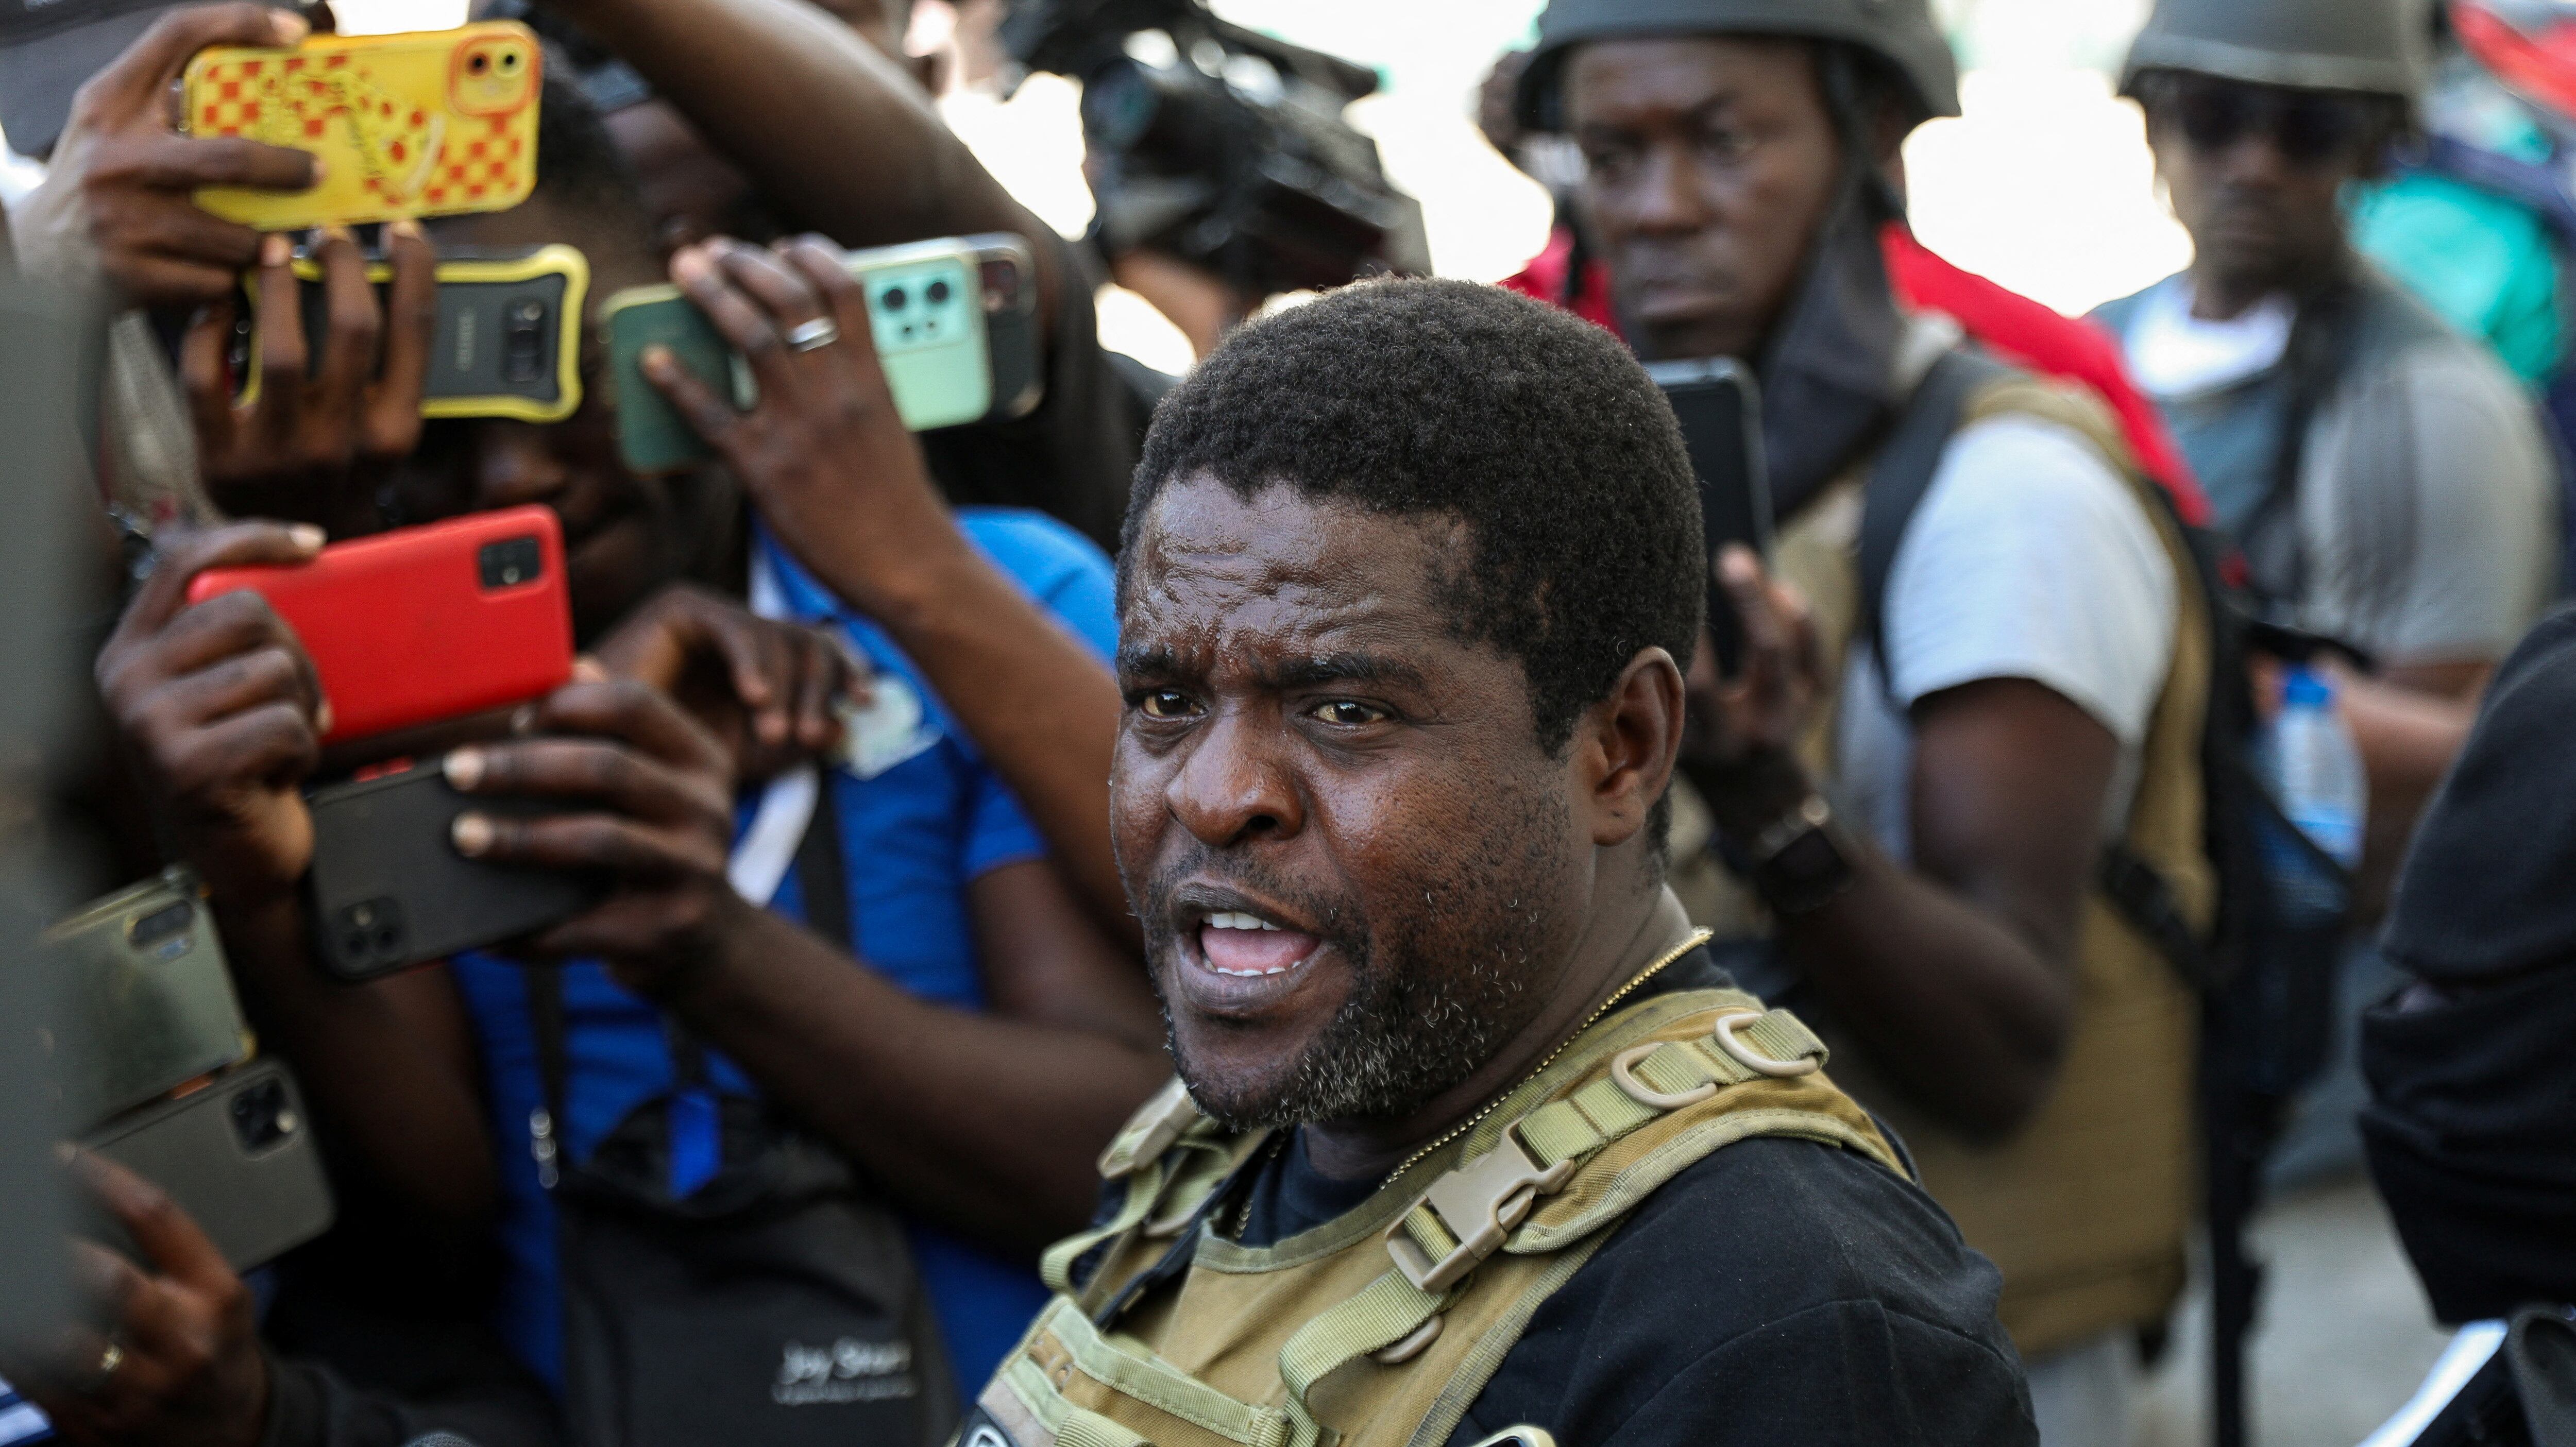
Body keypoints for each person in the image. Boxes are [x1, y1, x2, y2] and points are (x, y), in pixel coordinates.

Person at [96, 66, 1165, 1437]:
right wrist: (247, 865)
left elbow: (1116, 1162)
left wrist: (709, 940)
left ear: (674, 291)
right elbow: (433, 1243)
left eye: (563, 367)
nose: (518, 480)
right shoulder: (323, 715)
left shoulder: (984, 599)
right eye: (428, 427)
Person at [964, 274, 2031, 1447]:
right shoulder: (1209, 1161)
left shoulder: (1781, 1314)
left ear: (1619, 748)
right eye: (1165, 699)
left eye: (1343, 711)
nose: (1214, 795)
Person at [1503, 2, 2212, 1439]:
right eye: (1611, 155)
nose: (1657, 210)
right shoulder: (1668, 475)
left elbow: (1999, 1044)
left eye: (1723, 141)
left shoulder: (2009, 497)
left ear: (1868, 139)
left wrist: (1766, 794)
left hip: (1986, 1346)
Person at [2097, 0, 2560, 901]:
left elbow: (2460, 763)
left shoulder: (2426, 403)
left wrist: (2226, 689)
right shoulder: (2093, 352)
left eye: (2310, 132)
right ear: (2155, 123)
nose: (2255, 166)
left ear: (2375, 150)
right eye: (2214, 114)